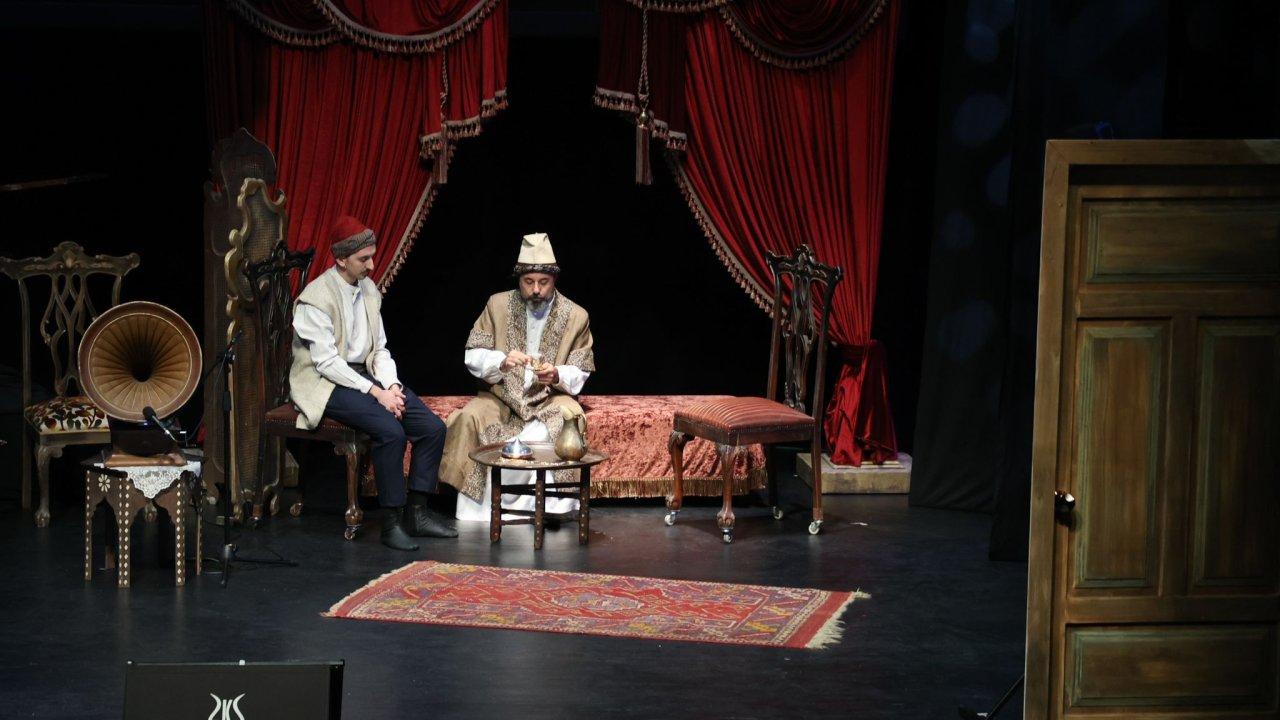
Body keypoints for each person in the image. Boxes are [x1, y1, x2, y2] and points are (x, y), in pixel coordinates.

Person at [289, 215, 456, 550]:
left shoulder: (367, 289)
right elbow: (327, 363)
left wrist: (391, 386)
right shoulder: (315, 299)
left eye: (372, 256)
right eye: (363, 258)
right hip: (325, 382)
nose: (372, 265)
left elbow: (379, 348)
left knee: (432, 428)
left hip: (365, 375)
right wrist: (376, 392)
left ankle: (417, 513)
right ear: (341, 259)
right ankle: (391, 523)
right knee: (391, 432)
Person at [440, 232, 595, 522]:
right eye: (528, 282)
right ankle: (481, 510)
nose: (536, 290)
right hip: (500, 398)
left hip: (550, 400)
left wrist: (556, 374)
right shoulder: (496, 305)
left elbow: (581, 370)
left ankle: (544, 508)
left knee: (563, 423)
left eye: (543, 282)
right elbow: (472, 354)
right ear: (518, 279)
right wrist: (501, 361)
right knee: (468, 418)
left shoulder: (576, 316)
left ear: (554, 279)